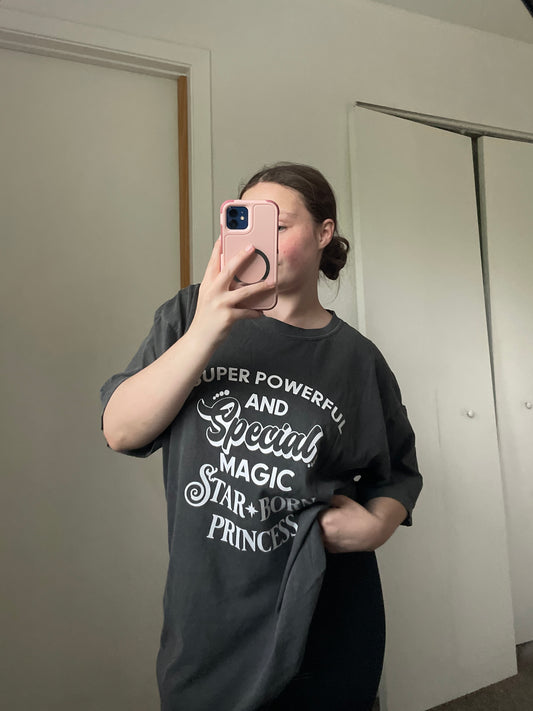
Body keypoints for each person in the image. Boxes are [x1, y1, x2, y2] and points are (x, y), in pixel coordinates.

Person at [100, 162, 422, 711]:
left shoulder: (358, 360)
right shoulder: (188, 314)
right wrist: (208, 329)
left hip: (326, 609)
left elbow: (399, 473)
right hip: (209, 612)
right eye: (244, 222)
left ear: (323, 233)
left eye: (278, 224)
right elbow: (121, 431)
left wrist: (376, 528)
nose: (258, 241)